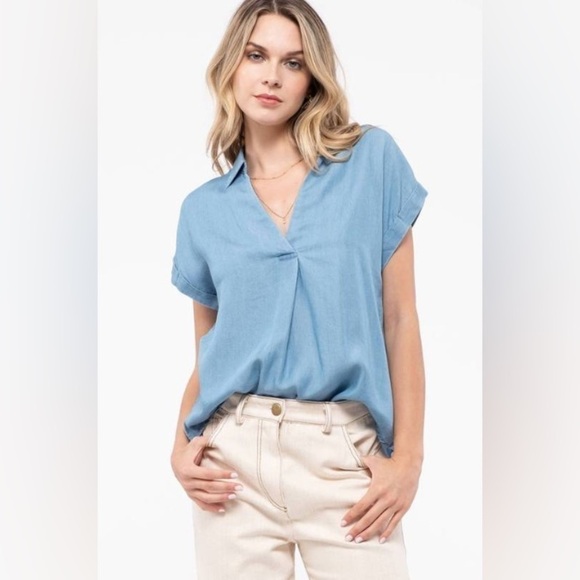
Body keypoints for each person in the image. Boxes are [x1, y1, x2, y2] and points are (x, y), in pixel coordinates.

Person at [169, 0, 428, 578]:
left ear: (313, 79)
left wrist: (408, 458)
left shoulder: (370, 162)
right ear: (230, 66)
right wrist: (178, 447)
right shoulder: (203, 211)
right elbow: (210, 351)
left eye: (293, 62)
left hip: (346, 458)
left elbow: (400, 319)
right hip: (232, 465)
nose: (272, 77)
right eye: (256, 56)